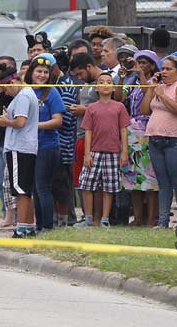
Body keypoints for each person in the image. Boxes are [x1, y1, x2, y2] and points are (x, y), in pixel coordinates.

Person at [141, 56, 177, 228]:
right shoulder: (159, 88)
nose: (164, 72)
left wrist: (162, 96)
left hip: (176, 140)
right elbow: (144, 110)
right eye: (162, 68)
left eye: (168, 69)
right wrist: (151, 88)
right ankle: (163, 222)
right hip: (155, 138)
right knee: (163, 183)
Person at [75, 72, 128, 228]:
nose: (105, 84)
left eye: (109, 82)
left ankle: (105, 218)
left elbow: (123, 130)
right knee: (86, 184)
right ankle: (88, 218)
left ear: (113, 87)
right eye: (102, 82)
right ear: (96, 88)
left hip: (113, 152)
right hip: (94, 152)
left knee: (109, 187)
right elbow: (88, 131)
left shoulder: (119, 107)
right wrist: (87, 154)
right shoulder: (91, 108)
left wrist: (124, 152)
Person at [0, 70, 39, 239]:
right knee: (25, 189)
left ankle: (21, 226)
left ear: (12, 83)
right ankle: (28, 225)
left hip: (19, 147)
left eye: (5, 89)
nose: (6, 93)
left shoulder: (22, 96)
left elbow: (20, 122)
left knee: (20, 190)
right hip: (26, 147)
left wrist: (5, 121)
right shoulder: (29, 94)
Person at [25, 55, 65, 232]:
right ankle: (39, 224)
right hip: (29, 147)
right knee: (34, 188)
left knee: (43, 187)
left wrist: (35, 125)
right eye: (38, 71)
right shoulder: (26, 91)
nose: (41, 75)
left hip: (47, 146)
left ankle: (47, 227)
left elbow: (58, 121)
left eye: (45, 72)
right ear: (31, 73)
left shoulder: (51, 92)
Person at [121, 50, 159, 227]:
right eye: (138, 62)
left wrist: (141, 74)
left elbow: (147, 98)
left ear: (152, 65)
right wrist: (123, 77)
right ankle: (137, 218)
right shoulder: (131, 81)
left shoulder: (154, 81)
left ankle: (151, 218)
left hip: (148, 127)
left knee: (150, 178)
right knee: (134, 178)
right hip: (132, 129)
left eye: (144, 63)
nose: (140, 65)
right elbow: (120, 99)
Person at [67, 53, 103, 219]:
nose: (80, 78)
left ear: (89, 66)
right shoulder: (86, 85)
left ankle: (96, 216)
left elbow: (109, 108)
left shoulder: (103, 82)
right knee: (83, 180)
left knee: (94, 181)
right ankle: (86, 215)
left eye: (80, 74)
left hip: (96, 139)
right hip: (81, 135)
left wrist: (84, 110)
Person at [52, 55, 79, 227]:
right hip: (51, 144)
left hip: (63, 145)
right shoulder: (51, 85)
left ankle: (68, 219)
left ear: (55, 68)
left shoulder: (66, 86)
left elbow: (67, 119)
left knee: (63, 185)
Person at [0, 61, 18, 231]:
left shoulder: (18, 97)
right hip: (0, 143)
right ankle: (6, 214)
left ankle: (15, 216)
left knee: (12, 183)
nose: (2, 89)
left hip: (12, 144)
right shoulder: (0, 96)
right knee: (0, 183)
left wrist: (5, 121)